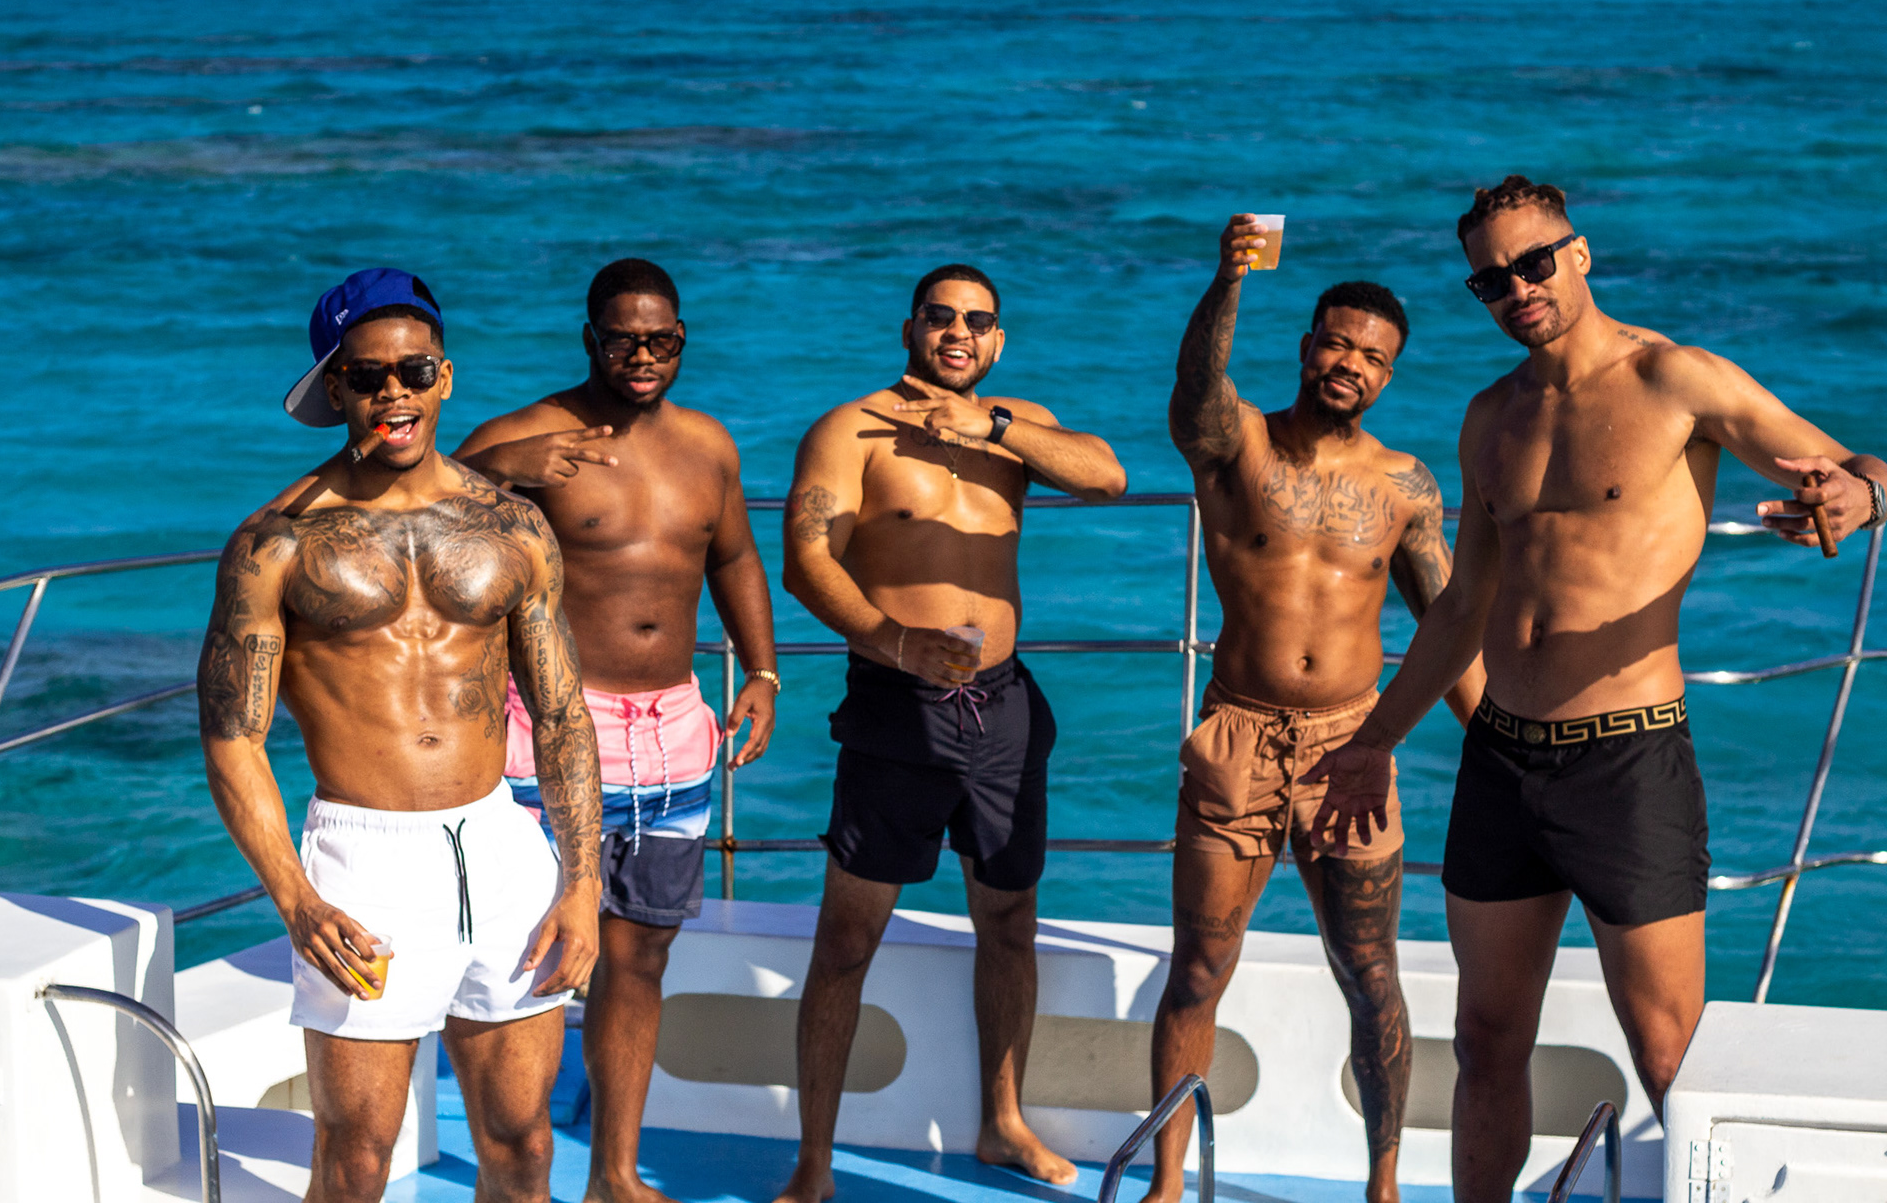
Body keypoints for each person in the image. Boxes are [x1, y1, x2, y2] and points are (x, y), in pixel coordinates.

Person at [1301, 176, 1887, 1202]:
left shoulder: (1675, 380)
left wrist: (1861, 493)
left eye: (1533, 263)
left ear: (1578, 253)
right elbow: (1461, 606)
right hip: (1501, 758)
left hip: (1627, 758)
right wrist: (1376, 738)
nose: (1517, 289)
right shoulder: (1490, 417)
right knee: (1486, 1037)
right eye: (1491, 280)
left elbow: (1848, 460)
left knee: (1670, 1056)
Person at [198, 268, 602, 1203]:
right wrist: (297, 901)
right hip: (365, 857)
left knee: (523, 1144)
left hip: (500, 847)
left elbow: (560, 713)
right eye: (367, 375)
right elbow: (231, 739)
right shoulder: (276, 543)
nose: (394, 394)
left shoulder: (513, 527)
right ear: (334, 388)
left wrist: (582, 884)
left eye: (414, 371)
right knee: (356, 1160)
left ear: (444, 377)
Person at [1146, 217, 1486, 1203]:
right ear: (1306, 347)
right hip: (1239, 739)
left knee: (1370, 972)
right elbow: (1195, 387)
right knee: (1199, 969)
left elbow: (1447, 624)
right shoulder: (1237, 444)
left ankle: (1383, 1183)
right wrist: (1230, 277)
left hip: (1352, 746)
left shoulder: (1405, 484)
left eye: (1372, 357)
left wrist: (1503, 751)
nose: (1351, 365)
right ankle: (1166, 1184)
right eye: (1337, 345)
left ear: (1390, 374)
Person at [772, 263, 1127, 1203]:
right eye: (940, 316)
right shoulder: (851, 430)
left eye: (977, 320)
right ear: (910, 328)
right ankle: (814, 1162)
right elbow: (806, 563)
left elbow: (1108, 477)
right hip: (898, 709)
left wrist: (995, 428)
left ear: (997, 339)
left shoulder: (1017, 426)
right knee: (848, 939)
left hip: (1004, 709)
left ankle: (1003, 1124)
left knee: (1009, 922)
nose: (958, 332)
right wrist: (895, 641)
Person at [454, 257, 779, 1203]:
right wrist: (495, 472)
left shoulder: (708, 446)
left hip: (673, 730)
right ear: (590, 338)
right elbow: (415, 510)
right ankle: (513, 1179)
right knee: (532, 955)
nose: (643, 356)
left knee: (640, 959)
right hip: (552, 730)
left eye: (661, 340)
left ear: (682, 340)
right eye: (623, 340)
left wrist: (761, 671)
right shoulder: (521, 438)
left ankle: (615, 1176)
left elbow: (735, 557)